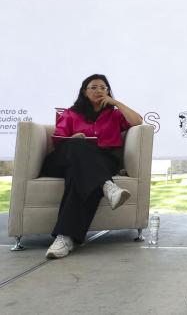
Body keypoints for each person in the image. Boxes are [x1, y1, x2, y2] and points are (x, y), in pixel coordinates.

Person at [41, 74, 143, 259]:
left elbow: (137, 121)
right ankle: (107, 185)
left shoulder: (114, 115)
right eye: (94, 87)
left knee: (79, 175)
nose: (99, 91)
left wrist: (116, 102)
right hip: (66, 157)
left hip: (102, 160)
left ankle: (65, 238)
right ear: (84, 92)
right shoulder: (71, 113)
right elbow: (58, 140)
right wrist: (74, 139)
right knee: (78, 146)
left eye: (103, 88)